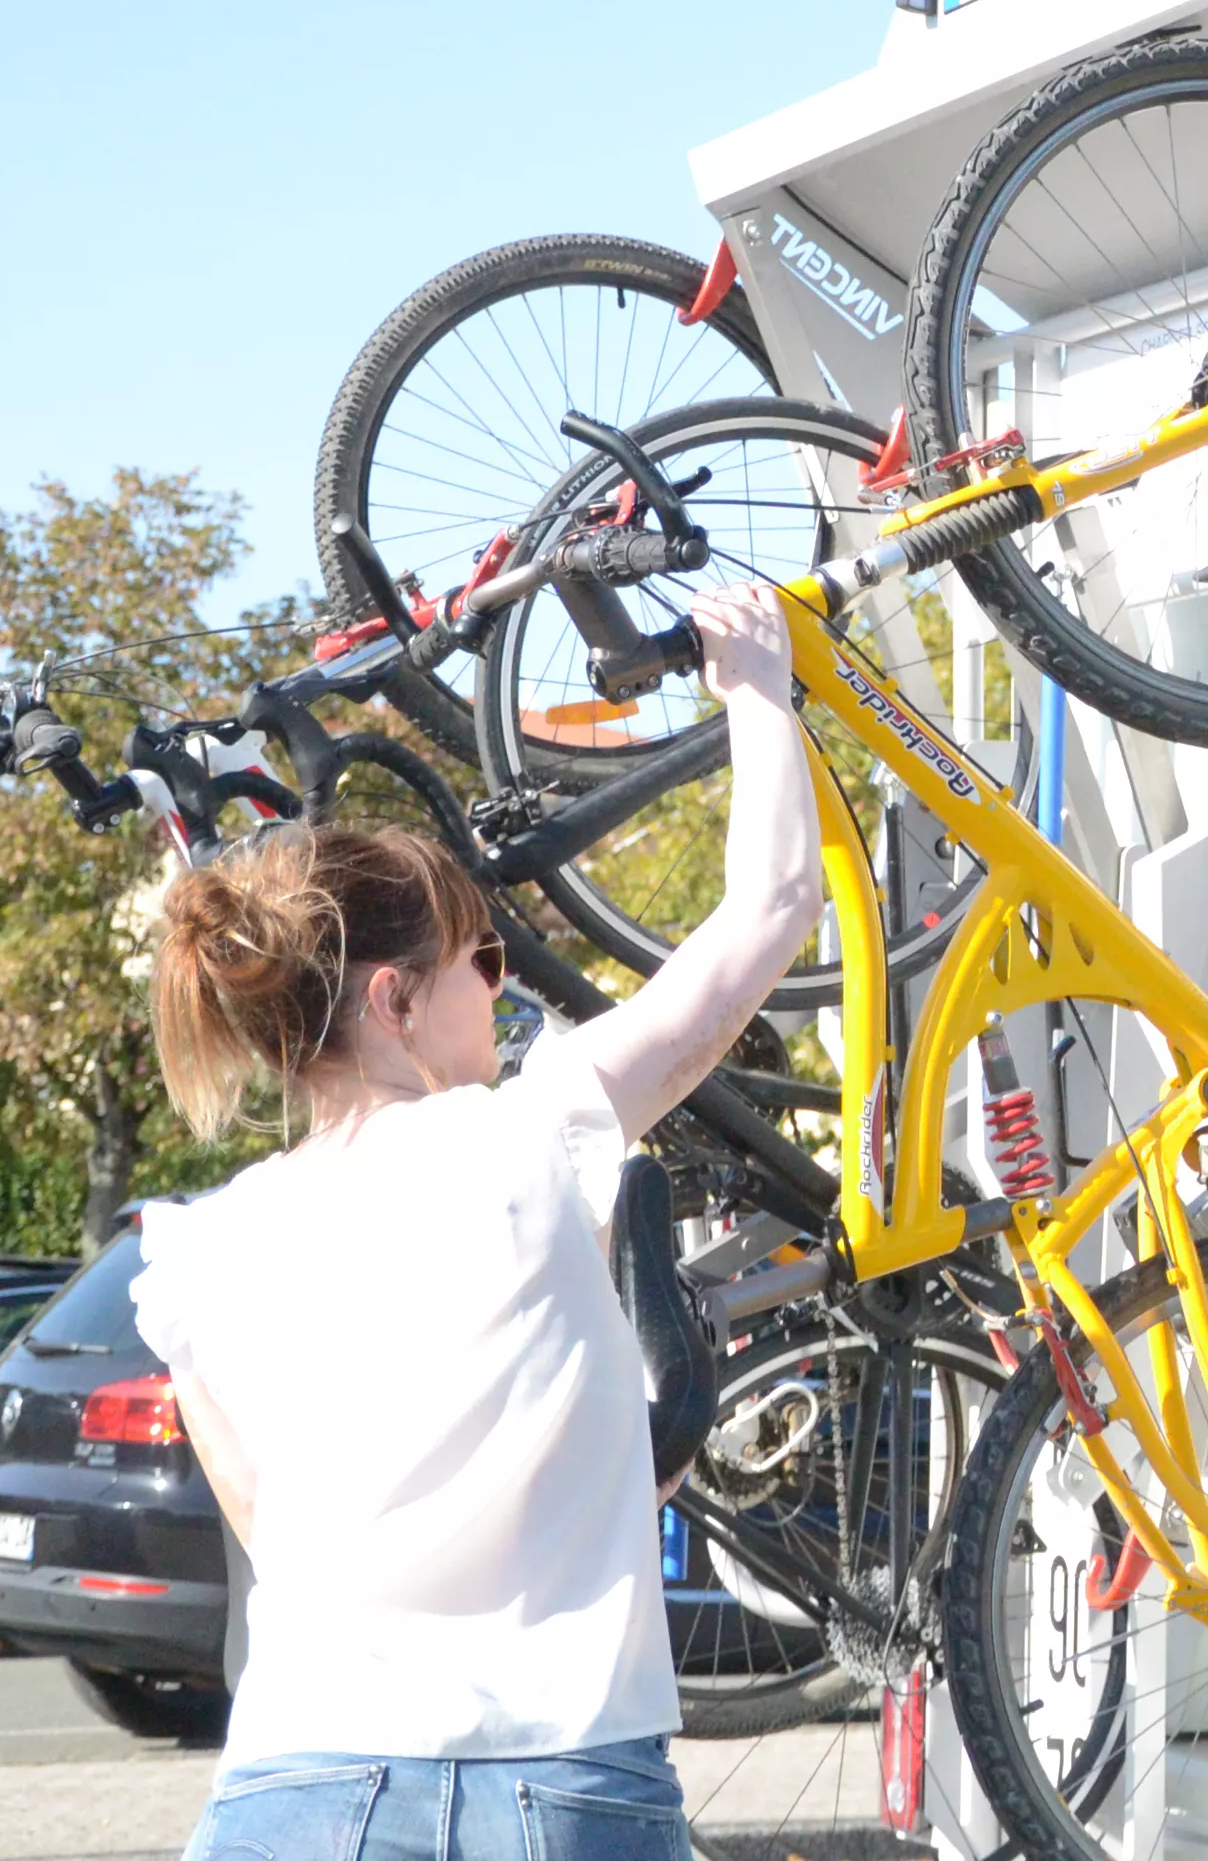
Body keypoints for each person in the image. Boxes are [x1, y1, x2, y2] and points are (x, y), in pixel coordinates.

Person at [132, 587, 823, 1861]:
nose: (498, 993)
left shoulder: (190, 1257)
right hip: (557, 1785)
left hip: (294, 1789)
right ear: (395, 999)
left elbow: (294, 1533)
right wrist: (760, 696)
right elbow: (774, 907)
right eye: (482, 963)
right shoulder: (532, 1131)